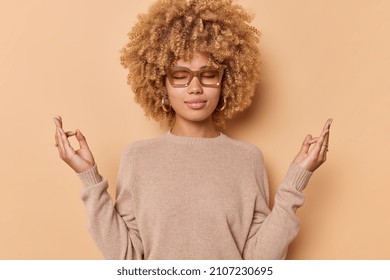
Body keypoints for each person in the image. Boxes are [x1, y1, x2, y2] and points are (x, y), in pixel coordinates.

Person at [53, 0, 332, 260]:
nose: (195, 87)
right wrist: (88, 177)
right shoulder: (138, 158)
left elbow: (260, 261)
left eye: (208, 74)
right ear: (161, 83)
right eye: (180, 75)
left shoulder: (248, 159)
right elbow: (125, 257)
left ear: (226, 80)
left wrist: (297, 179)